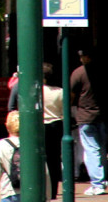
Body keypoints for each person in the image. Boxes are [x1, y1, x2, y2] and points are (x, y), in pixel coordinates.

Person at [0, 109, 49, 202]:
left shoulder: (2, 145)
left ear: (7, 126)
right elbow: (44, 172)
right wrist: (47, 194)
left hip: (10, 192)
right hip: (32, 192)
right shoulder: (33, 144)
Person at [71, 49, 108, 196]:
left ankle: (97, 183)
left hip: (86, 116)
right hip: (103, 115)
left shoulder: (78, 73)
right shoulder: (105, 71)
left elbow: (71, 93)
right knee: (101, 149)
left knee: (91, 149)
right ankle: (102, 179)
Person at [43, 64, 65, 199]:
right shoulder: (60, 92)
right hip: (56, 125)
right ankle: (53, 191)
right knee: (54, 158)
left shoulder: (36, 91)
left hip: (41, 125)